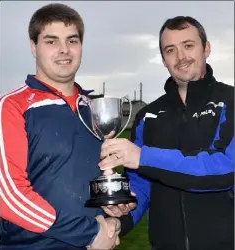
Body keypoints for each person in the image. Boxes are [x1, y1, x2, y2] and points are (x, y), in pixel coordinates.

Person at [99, 16, 234, 250]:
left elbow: (225, 168)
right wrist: (121, 216)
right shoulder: (147, 117)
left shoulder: (230, 101)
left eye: (188, 46)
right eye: (170, 50)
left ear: (207, 48)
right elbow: (142, 186)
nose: (181, 57)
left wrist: (142, 157)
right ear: (163, 59)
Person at [0, 3, 121, 250]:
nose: (64, 50)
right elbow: (8, 196)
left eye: (72, 40)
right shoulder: (13, 106)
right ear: (34, 47)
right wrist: (88, 233)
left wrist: (115, 210)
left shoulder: (93, 109)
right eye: (51, 41)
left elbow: (97, 176)